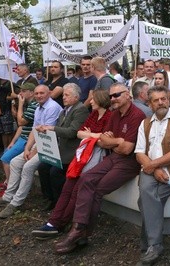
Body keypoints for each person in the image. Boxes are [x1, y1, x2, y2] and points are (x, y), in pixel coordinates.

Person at [54, 83, 145, 254]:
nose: (113, 99)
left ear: (128, 95)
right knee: (85, 178)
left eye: (117, 95)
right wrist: (117, 141)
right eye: (111, 96)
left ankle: (80, 233)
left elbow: (127, 149)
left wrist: (115, 142)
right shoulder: (114, 114)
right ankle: (79, 230)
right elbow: (102, 140)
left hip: (128, 163)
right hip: (113, 157)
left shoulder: (137, 115)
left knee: (95, 189)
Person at [31, 89, 111, 239]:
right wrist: (93, 136)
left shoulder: (109, 116)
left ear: (100, 100)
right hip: (83, 155)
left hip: (95, 159)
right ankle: (53, 222)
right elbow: (80, 133)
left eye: (93, 99)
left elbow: (105, 140)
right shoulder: (94, 114)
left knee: (76, 190)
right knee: (68, 187)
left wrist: (90, 135)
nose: (90, 101)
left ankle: (60, 223)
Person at [0, 85, 63, 218]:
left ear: (49, 93)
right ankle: (7, 197)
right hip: (41, 144)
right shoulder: (39, 107)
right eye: (37, 93)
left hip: (53, 147)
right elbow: (35, 130)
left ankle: (16, 203)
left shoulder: (52, 107)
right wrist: (27, 148)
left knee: (27, 167)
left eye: (42, 93)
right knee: (15, 162)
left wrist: (33, 151)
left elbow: (48, 135)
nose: (39, 96)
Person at [135, 86, 170, 264]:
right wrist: (153, 167)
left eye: (164, 99)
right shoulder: (144, 123)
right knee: (148, 195)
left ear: (168, 100)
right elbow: (139, 153)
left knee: (146, 199)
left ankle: (150, 244)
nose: (161, 102)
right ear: (149, 104)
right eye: (156, 100)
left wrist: (153, 165)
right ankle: (155, 245)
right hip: (151, 169)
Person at [37, 83, 89, 210]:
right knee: (42, 167)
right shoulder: (65, 110)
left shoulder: (80, 109)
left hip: (71, 152)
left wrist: (52, 128)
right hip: (60, 149)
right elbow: (59, 129)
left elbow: (72, 132)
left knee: (55, 172)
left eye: (67, 95)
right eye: (63, 95)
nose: (64, 97)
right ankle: (49, 198)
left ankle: (59, 202)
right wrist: (45, 130)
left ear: (76, 97)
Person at [0, 83, 38, 189]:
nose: (20, 94)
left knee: (5, 159)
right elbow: (21, 127)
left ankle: (11, 185)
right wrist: (12, 142)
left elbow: (20, 122)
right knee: (6, 153)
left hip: (27, 139)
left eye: (23, 91)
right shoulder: (29, 105)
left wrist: (20, 105)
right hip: (23, 137)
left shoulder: (34, 106)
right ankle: (9, 180)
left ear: (31, 93)